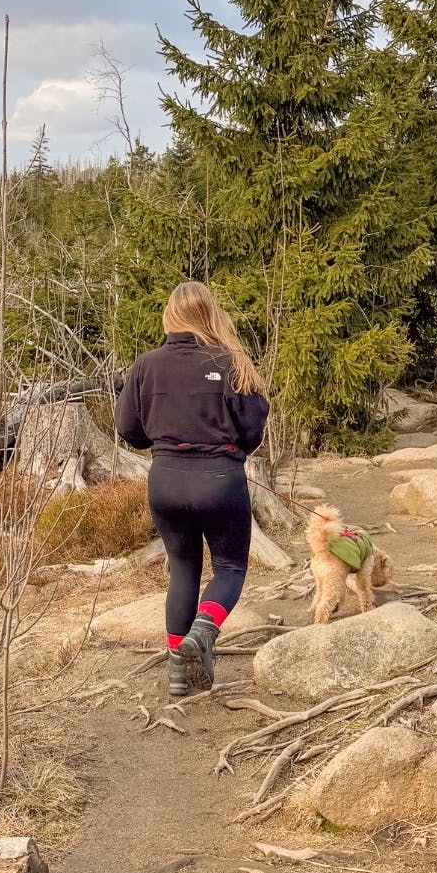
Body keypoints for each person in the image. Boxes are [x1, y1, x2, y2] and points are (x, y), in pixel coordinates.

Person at [114, 281, 270, 695]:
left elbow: (128, 427)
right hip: (220, 480)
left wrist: (164, 442)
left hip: (165, 479)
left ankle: (177, 674)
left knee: (182, 570)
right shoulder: (231, 360)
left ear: (170, 316)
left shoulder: (146, 365)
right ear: (210, 315)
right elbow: (253, 427)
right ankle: (202, 632)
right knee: (231, 568)